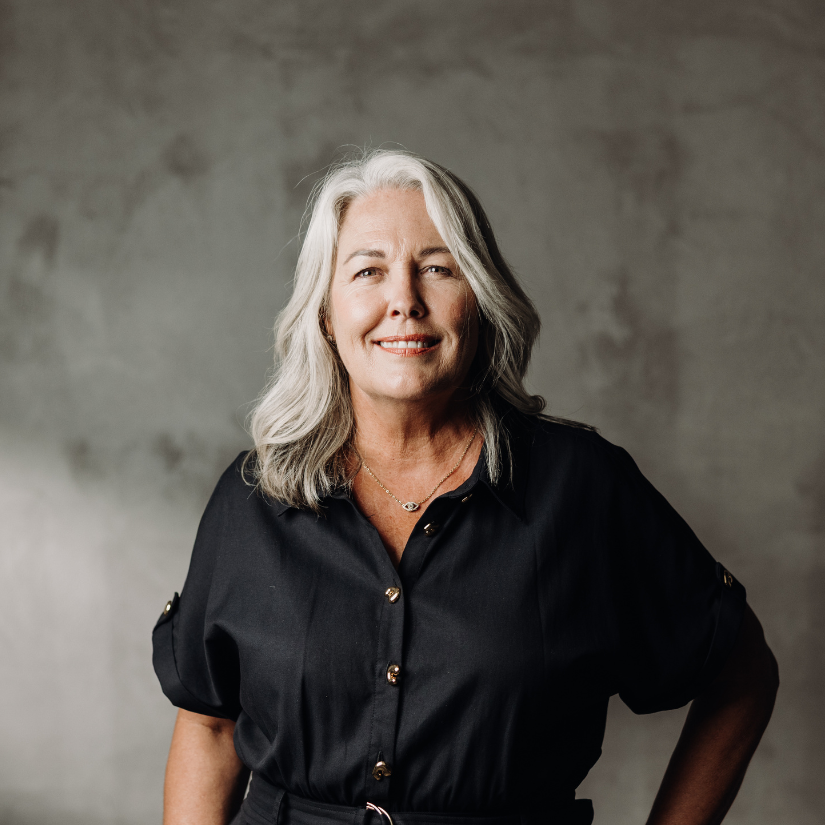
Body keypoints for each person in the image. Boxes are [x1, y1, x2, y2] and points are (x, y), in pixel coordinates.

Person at [153, 150, 779, 825]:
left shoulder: (583, 487)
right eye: (368, 271)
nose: (404, 301)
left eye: (436, 268)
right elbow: (211, 726)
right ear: (326, 316)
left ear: (477, 300)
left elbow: (739, 674)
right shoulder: (252, 500)